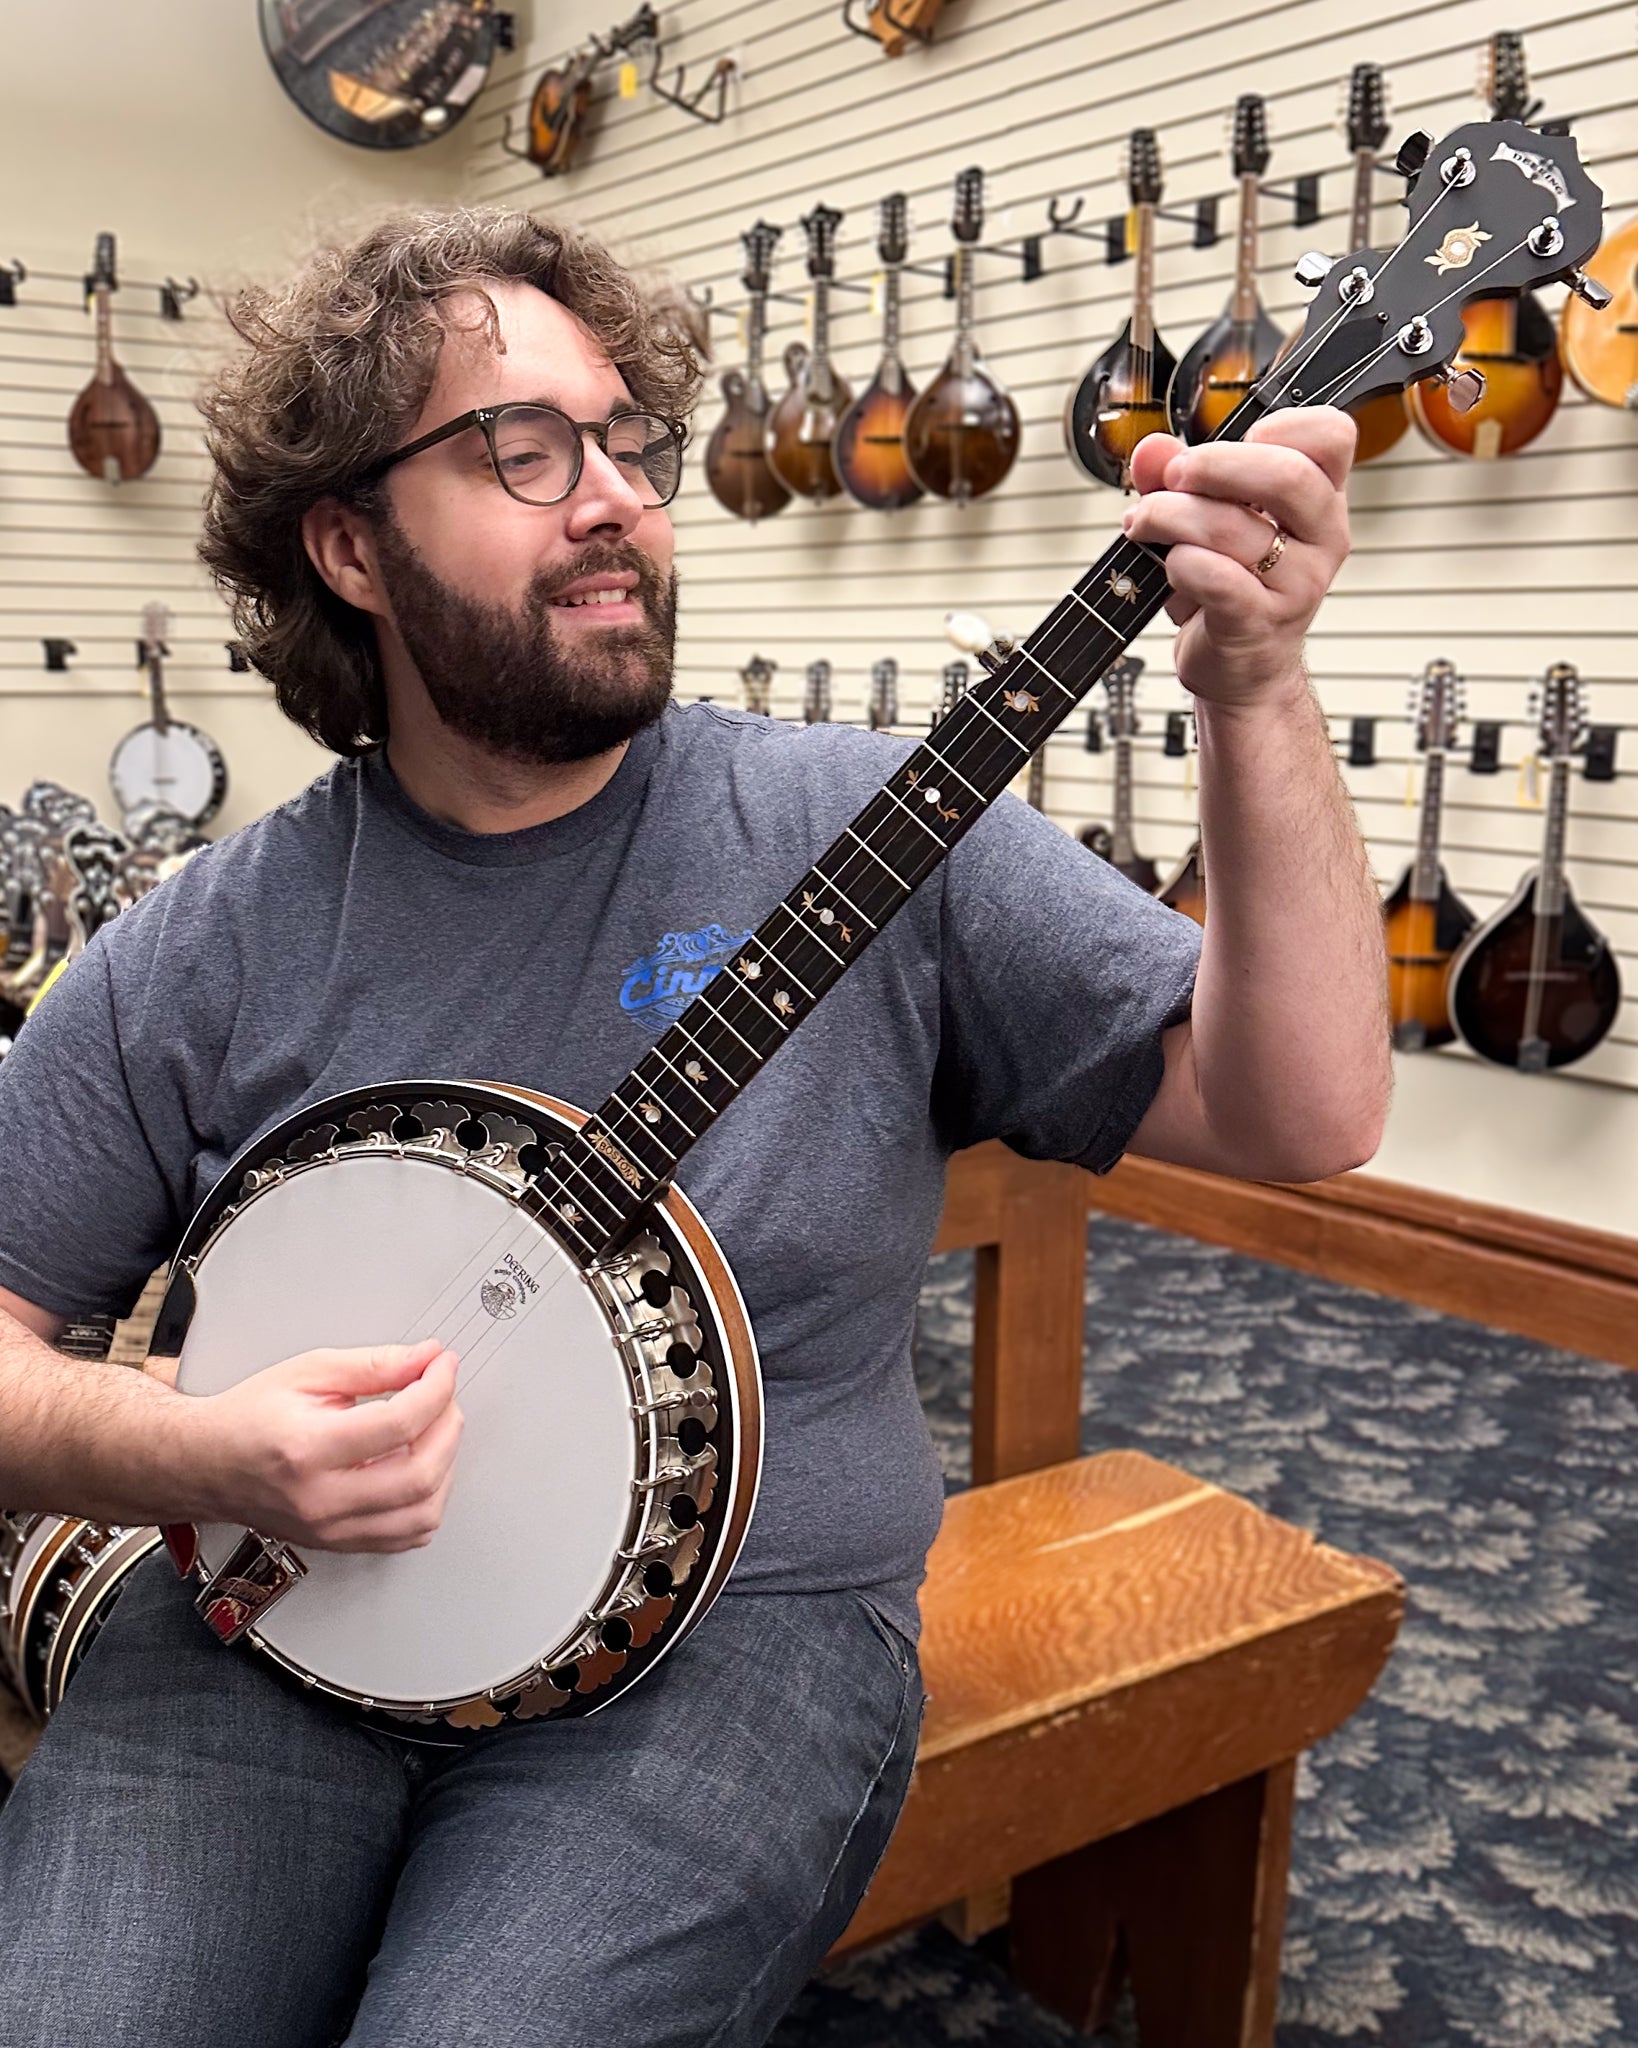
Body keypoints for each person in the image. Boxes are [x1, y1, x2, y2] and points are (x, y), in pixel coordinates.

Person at [0, 206, 1388, 2048]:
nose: (614, 501)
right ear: (348, 546)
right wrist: (200, 1454)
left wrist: (1255, 690)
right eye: (520, 449)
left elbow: (1303, 1115)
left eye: (627, 439)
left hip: (737, 1640)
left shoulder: (869, 823)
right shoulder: (211, 940)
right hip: (282, 1619)